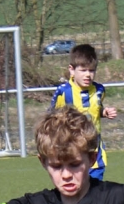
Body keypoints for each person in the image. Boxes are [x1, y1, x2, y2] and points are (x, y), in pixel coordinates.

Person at [49, 44, 116, 180]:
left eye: (91, 70)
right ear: (72, 70)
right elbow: (51, 116)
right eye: (83, 70)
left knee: (95, 189)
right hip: (72, 152)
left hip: (95, 152)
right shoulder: (64, 92)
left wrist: (104, 112)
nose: (88, 75)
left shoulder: (99, 90)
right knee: (77, 189)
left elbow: (95, 110)